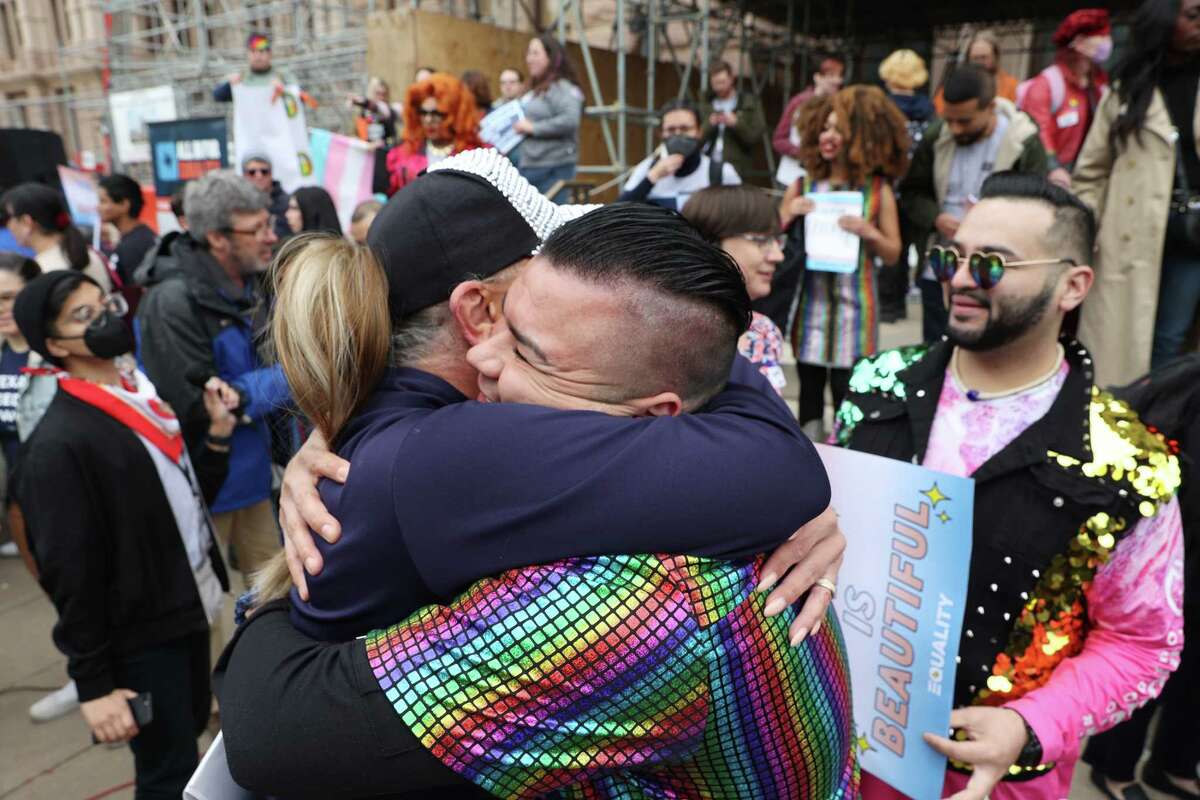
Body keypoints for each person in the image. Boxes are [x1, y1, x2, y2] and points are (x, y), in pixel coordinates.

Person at [215, 168, 855, 797]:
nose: (482, 358)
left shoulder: (641, 598)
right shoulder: (443, 452)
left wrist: (263, 610)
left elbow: (279, 731)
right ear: (475, 306)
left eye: (527, 348)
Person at [837, 172, 1184, 800]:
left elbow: (1143, 643)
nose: (961, 278)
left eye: (994, 264)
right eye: (952, 257)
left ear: (1072, 285)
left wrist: (1030, 725)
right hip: (837, 749)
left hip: (989, 781)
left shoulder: (1126, 464)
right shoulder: (877, 383)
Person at [11, 269, 238, 800]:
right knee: (167, 770)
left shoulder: (140, 394)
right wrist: (94, 684)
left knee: (185, 747)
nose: (108, 319)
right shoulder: (60, 443)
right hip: (141, 637)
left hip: (186, 608)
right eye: (84, 317)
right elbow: (70, 570)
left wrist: (219, 440)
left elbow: (185, 499)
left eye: (105, 304)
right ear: (53, 345)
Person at [135, 171, 289, 617]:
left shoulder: (249, 280)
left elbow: (240, 388)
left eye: (269, 224)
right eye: (257, 229)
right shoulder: (172, 302)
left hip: (252, 478)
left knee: (273, 604)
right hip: (205, 486)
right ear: (217, 239)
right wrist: (289, 377)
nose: (271, 236)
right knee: (208, 617)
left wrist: (252, 391)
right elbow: (197, 405)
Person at [1081, 354, 1200, 800]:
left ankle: (1173, 762)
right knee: (1161, 649)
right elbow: (1120, 414)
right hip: (1183, 545)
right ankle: (1114, 765)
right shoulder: (1188, 382)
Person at [1073, 0, 1200, 388]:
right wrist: (1087, 231)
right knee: (1126, 344)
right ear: (1164, 20)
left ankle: (1158, 423)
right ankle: (1123, 422)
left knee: (1171, 337)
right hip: (1131, 235)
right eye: (1192, 15)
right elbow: (1090, 171)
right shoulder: (1127, 89)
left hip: (1194, 234)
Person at [780, 86, 907, 440]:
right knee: (808, 388)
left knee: (847, 391)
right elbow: (770, 238)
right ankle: (809, 454)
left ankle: (846, 454)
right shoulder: (802, 185)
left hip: (857, 308)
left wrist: (870, 232)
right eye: (824, 128)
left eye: (838, 129)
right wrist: (788, 214)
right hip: (810, 306)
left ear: (858, 139)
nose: (828, 136)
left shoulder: (877, 189)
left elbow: (894, 253)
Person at [899, 65, 1048, 343]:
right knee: (937, 346)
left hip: (994, 271)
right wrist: (935, 217)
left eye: (965, 121)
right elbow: (912, 193)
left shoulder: (1022, 141)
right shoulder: (936, 137)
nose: (955, 128)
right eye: (949, 120)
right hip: (942, 264)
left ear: (990, 107)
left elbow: (1036, 206)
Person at [682, 185, 787, 393]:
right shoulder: (661, 333)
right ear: (710, 244)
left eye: (777, 241)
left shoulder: (763, 331)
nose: (778, 255)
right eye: (761, 240)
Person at [1018, 9, 1111, 189]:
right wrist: (1053, 167)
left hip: (1086, 177)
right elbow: (1038, 129)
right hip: (1053, 179)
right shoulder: (1048, 85)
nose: (1107, 41)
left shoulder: (1099, 85)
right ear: (1079, 43)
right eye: (1101, 35)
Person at [879, 49, 937, 323]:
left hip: (889, 187)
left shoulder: (883, 108)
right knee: (920, 247)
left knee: (893, 250)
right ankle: (916, 298)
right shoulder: (928, 110)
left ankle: (891, 306)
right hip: (920, 188)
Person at [618, 99, 740, 209]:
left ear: (699, 132)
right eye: (671, 130)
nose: (678, 135)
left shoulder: (721, 173)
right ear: (661, 134)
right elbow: (617, 212)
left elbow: (742, 215)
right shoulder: (646, 170)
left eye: (685, 129)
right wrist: (651, 179)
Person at [3, 183, 113, 291]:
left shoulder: (40, 271)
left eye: (8, 218)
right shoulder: (88, 253)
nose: (8, 225)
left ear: (26, 222)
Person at [385, 73, 484, 194]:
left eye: (436, 113)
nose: (428, 120)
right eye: (423, 112)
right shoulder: (405, 153)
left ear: (455, 115)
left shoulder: (476, 156)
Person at [0, 252, 38, 561]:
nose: (1, 307)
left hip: (69, 496)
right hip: (19, 503)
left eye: (9, 297)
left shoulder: (62, 352)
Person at [515, 34, 584, 200]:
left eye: (535, 53)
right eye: (528, 53)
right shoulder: (533, 90)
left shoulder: (562, 88)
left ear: (551, 57)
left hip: (553, 168)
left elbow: (570, 120)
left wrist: (534, 128)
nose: (529, 58)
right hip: (530, 166)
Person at [772, 53, 846, 164]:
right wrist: (803, 153)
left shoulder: (841, 104)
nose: (837, 80)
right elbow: (779, 139)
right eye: (831, 75)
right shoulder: (799, 102)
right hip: (793, 173)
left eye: (839, 75)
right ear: (817, 77)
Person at [701, 59, 765, 185]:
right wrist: (710, 124)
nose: (719, 87)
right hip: (708, 162)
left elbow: (755, 136)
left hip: (738, 165)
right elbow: (696, 136)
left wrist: (736, 123)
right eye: (715, 83)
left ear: (732, 79)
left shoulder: (749, 102)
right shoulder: (705, 103)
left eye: (722, 82)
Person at [934, 30, 1021, 114]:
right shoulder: (954, 84)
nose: (980, 62)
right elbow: (941, 111)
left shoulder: (1012, 85)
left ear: (996, 57)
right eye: (975, 58)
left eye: (984, 57)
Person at [98, 175, 156, 289]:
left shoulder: (134, 246)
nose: (98, 207)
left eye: (103, 201)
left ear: (124, 205)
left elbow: (134, 293)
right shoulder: (141, 236)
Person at [212, 32, 292, 103]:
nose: (257, 56)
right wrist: (229, 85)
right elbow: (217, 96)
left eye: (261, 51)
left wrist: (284, 90)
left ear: (270, 54)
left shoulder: (283, 76)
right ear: (247, 54)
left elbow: (299, 97)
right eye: (253, 51)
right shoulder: (240, 77)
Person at [240, 154, 291, 241]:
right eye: (252, 172)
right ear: (244, 175)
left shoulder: (288, 203)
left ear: (271, 174)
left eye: (264, 171)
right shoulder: (239, 204)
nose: (259, 176)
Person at [348, 76, 399, 147]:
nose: (381, 97)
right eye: (378, 93)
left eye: (384, 94)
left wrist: (383, 143)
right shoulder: (365, 112)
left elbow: (392, 136)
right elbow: (359, 130)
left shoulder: (389, 111)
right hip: (367, 149)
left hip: (384, 149)